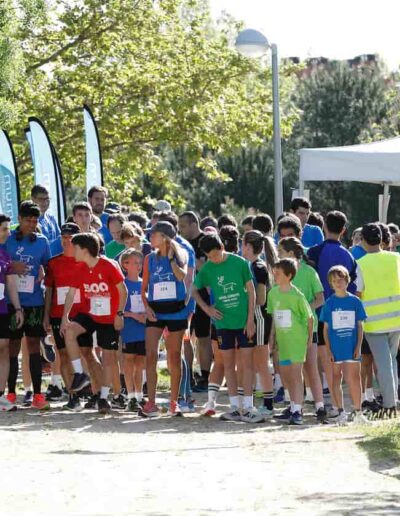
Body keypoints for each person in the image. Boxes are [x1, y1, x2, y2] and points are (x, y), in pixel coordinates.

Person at [192, 234, 263, 423]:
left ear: (222, 247)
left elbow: (252, 291)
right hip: (223, 323)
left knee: (247, 364)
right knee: (228, 364)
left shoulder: (240, 263)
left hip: (243, 322)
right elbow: (193, 290)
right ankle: (234, 407)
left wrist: (250, 319)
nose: (214, 259)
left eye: (216, 255)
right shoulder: (208, 268)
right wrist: (207, 309)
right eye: (210, 257)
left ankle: (248, 406)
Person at [60, 233, 127, 414]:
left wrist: (119, 314)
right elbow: (70, 294)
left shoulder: (108, 265)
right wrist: (65, 317)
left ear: (84, 250)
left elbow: (123, 291)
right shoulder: (79, 268)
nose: (72, 250)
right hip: (90, 313)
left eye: (75, 247)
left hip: (109, 317)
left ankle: (104, 397)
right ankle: (80, 374)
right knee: (69, 331)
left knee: (108, 358)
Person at [307, 210, 357, 417]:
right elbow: (354, 286)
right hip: (344, 314)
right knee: (343, 363)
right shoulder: (349, 255)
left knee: (326, 360)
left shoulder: (313, 252)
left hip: (322, 313)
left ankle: (333, 405)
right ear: (344, 230)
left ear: (324, 227)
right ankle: (347, 406)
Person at [43, 223, 95, 411]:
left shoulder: (85, 261)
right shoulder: (53, 263)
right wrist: (46, 315)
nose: (66, 241)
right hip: (58, 314)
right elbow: (49, 290)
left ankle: (96, 393)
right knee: (63, 354)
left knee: (87, 353)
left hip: (83, 313)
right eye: (63, 237)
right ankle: (73, 396)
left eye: (70, 238)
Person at [140, 221, 189, 417]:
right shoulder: (149, 258)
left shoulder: (180, 254)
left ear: (164, 238)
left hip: (176, 311)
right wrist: (147, 307)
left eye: (153, 234)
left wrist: (171, 260)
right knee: (150, 355)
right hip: (155, 311)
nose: (150, 238)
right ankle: (151, 403)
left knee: (174, 356)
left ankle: (174, 402)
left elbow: (181, 277)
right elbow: (143, 288)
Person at [5, 201, 51, 410]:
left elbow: (48, 267)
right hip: (10, 302)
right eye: (28, 220)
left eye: (35, 221)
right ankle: (11, 393)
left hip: (34, 301)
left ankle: (38, 394)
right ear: (19, 219)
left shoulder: (42, 241)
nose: (32, 224)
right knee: (12, 347)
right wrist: (11, 265)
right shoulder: (7, 239)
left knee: (33, 345)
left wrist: (43, 271)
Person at [277, 237, 327, 423]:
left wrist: (304, 310)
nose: (278, 255)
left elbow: (320, 298)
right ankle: (294, 406)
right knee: (290, 369)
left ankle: (320, 407)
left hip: (307, 328)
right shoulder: (280, 272)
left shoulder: (309, 272)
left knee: (310, 368)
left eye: (281, 251)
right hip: (287, 329)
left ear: (290, 253)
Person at [356, 223, 400, 418]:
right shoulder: (396, 258)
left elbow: (358, 293)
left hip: (374, 323)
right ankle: (393, 401)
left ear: (363, 241)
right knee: (391, 362)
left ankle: (390, 405)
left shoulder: (361, 263)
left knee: (384, 365)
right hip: (396, 319)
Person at [267, 258, 313, 425]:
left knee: (295, 374)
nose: (275, 276)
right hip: (282, 342)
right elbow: (274, 316)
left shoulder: (297, 295)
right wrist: (272, 337)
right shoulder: (273, 293)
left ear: (289, 276)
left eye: (278, 273)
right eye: (274, 272)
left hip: (297, 341)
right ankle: (293, 407)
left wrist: (309, 339)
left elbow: (309, 318)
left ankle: (297, 411)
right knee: (285, 375)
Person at [320, 265, 368, 424]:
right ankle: (341, 412)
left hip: (352, 347)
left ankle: (358, 412)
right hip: (336, 348)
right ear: (331, 284)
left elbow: (360, 326)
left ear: (347, 281)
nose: (338, 283)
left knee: (354, 378)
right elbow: (325, 329)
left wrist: (358, 346)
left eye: (341, 280)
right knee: (336, 377)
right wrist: (329, 350)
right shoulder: (329, 303)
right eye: (334, 281)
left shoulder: (355, 301)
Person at [242, 230, 275, 418]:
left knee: (262, 363)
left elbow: (261, 299)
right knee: (254, 363)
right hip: (254, 317)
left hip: (260, 317)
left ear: (247, 246)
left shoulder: (259, 267)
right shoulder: (251, 265)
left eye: (243, 244)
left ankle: (269, 405)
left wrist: (247, 304)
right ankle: (251, 402)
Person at [178, 211, 211, 391]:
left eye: (183, 226)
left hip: (204, 295)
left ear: (193, 224)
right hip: (184, 295)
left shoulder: (206, 241)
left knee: (204, 336)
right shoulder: (180, 243)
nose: (180, 230)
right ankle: (188, 375)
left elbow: (210, 269)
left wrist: (191, 258)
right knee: (185, 337)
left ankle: (205, 376)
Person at [0, 214, 23, 411]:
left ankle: (1, 395)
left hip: (2, 309)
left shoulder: (5, 255)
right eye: (4, 229)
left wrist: (17, 308)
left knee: (4, 347)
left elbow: (11, 285)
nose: (8, 233)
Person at [119, 249, 146, 412]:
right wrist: (132, 315)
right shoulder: (122, 284)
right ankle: (130, 396)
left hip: (143, 330)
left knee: (140, 363)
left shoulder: (145, 284)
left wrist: (143, 317)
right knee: (128, 361)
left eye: (140, 263)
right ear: (125, 264)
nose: (138, 266)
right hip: (128, 330)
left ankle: (139, 395)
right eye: (134, 262)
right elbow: (120, 309)